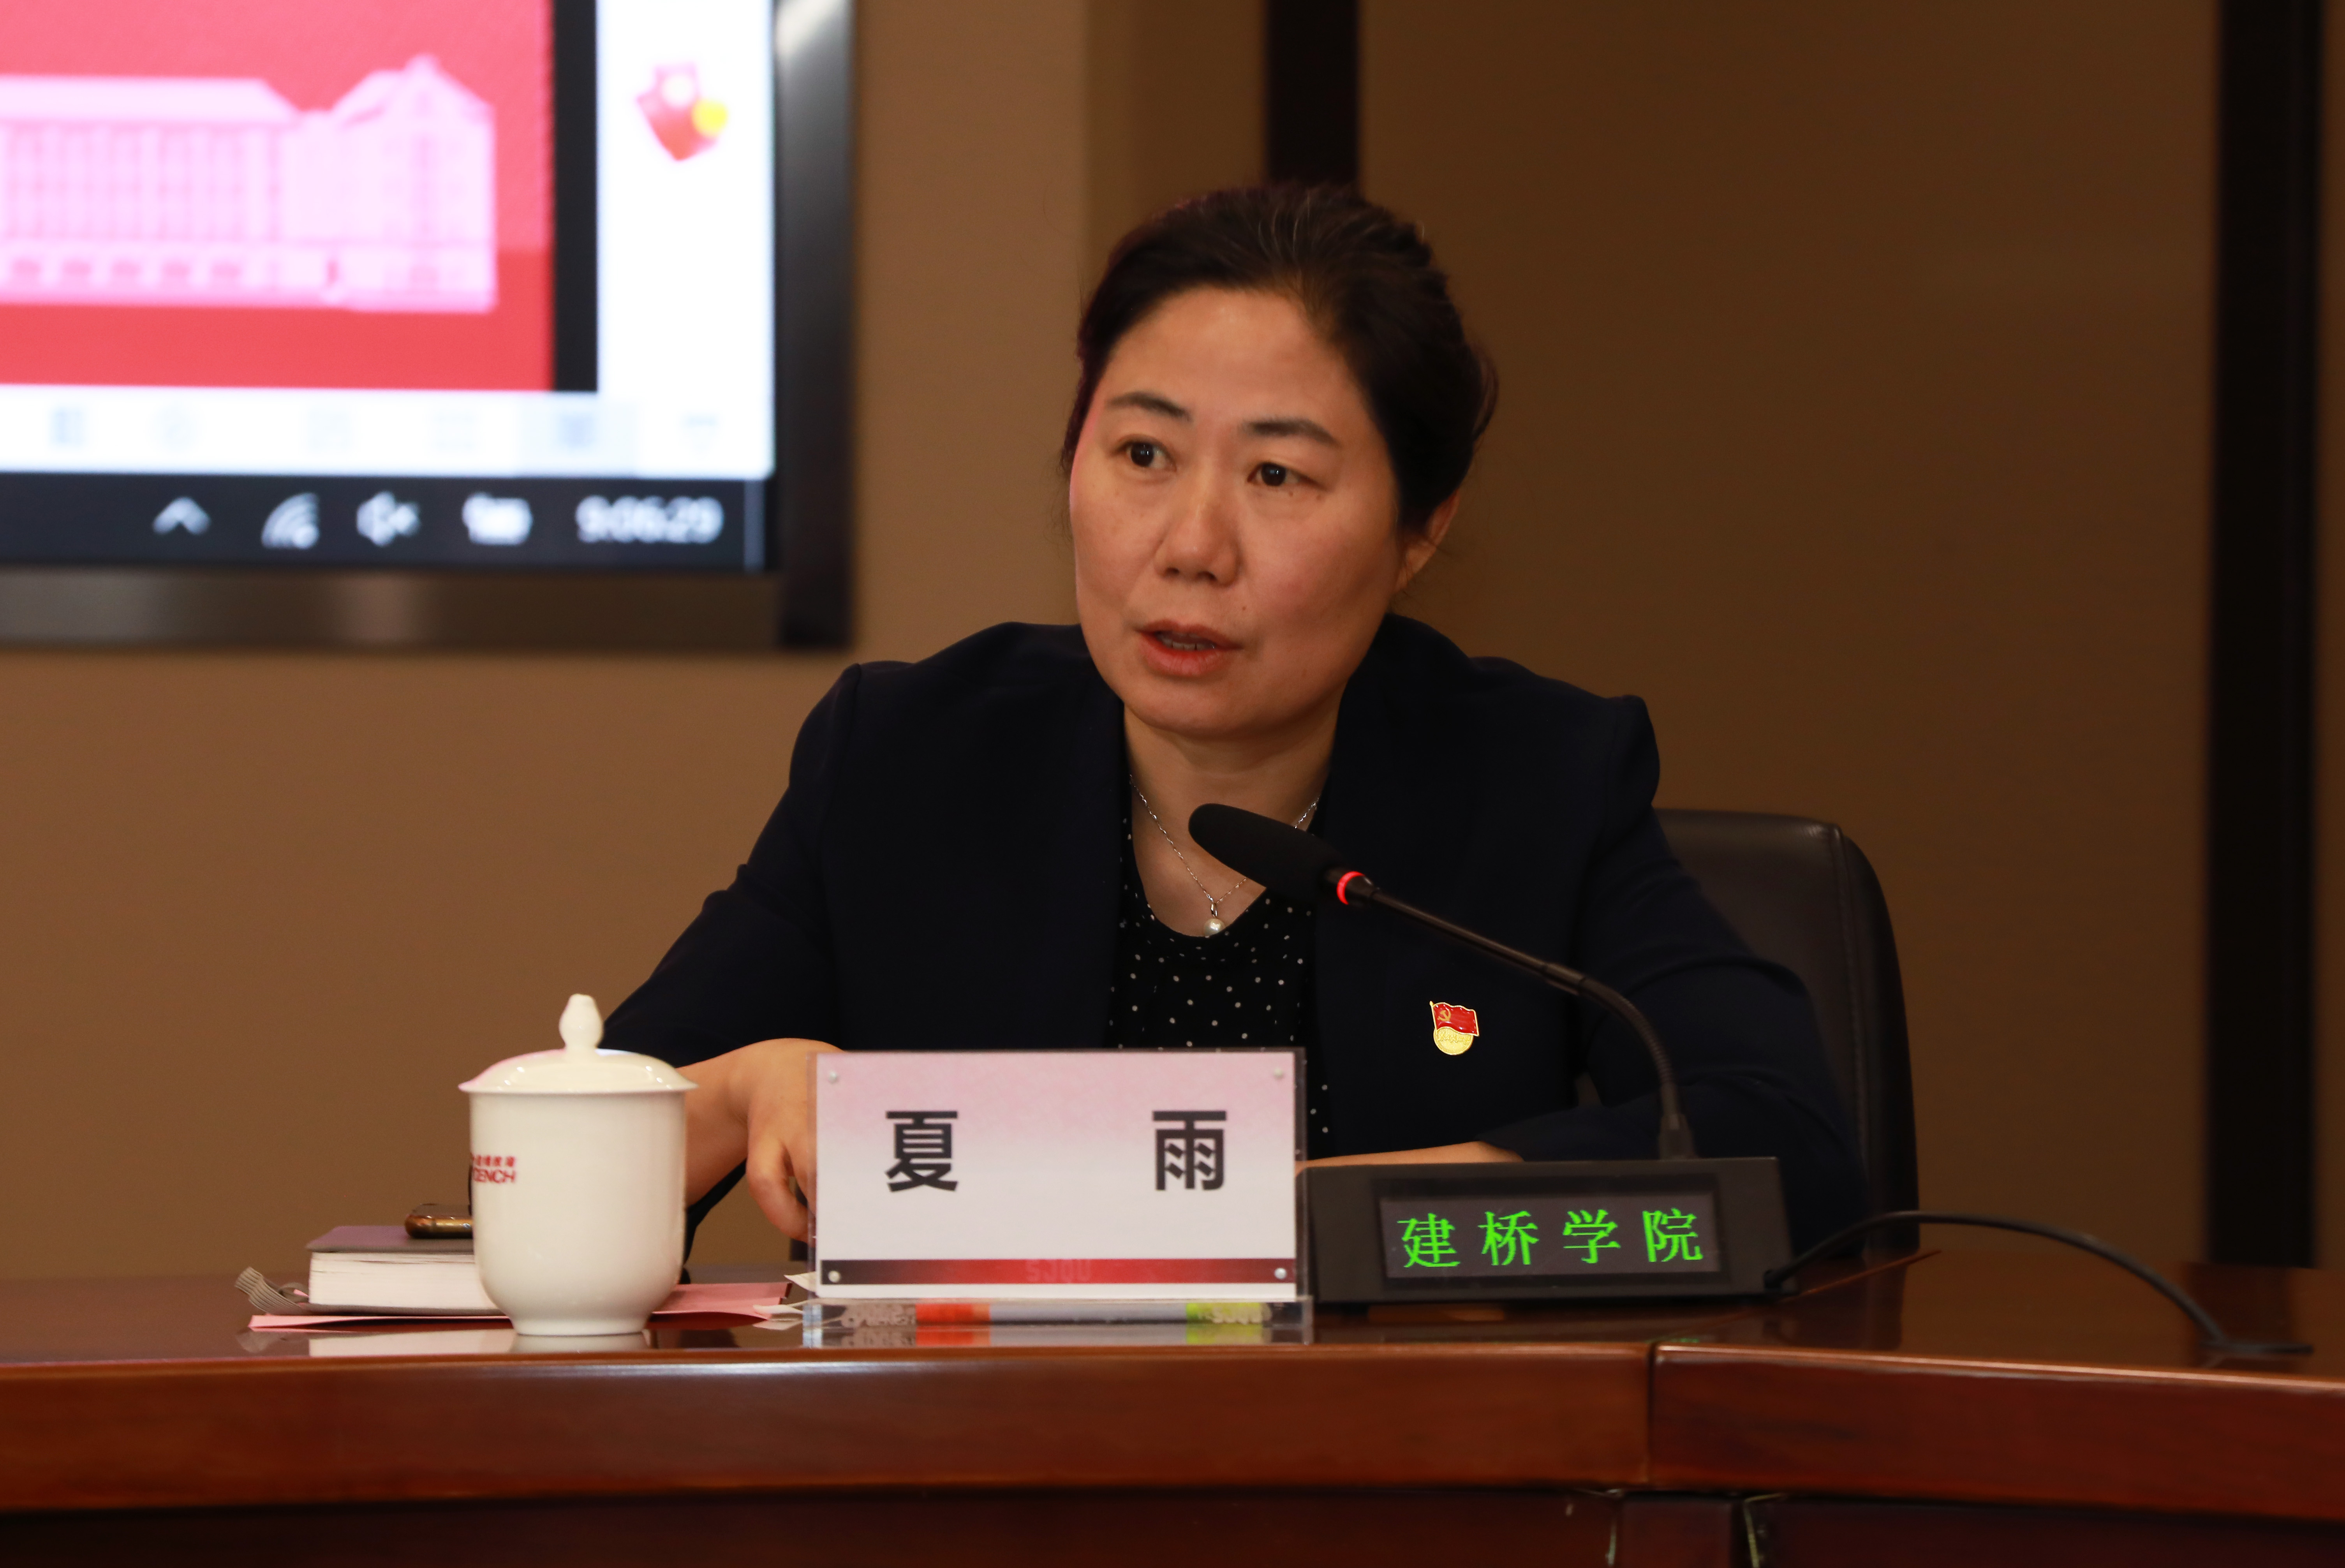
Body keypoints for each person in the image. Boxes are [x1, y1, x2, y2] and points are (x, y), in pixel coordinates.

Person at [604, 185, 1865, 1251]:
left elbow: (1783, 1144)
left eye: (1277, 474)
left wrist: (1305, 1221)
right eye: (1143, 455)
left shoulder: (1534, 780)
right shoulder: (910, 758)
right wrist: (742, 1086)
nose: (1192, 546)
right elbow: (571, 1156)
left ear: (1420, 530)